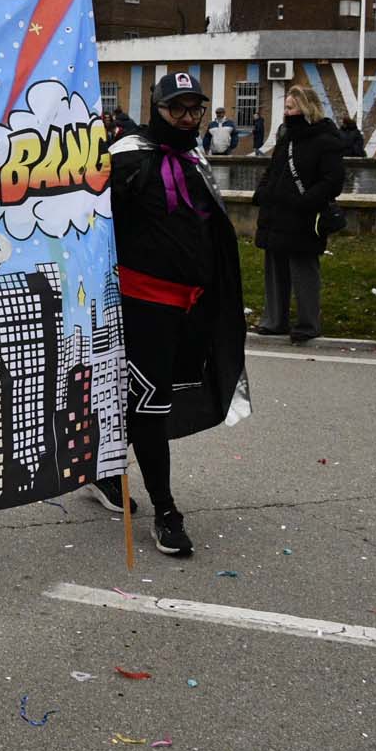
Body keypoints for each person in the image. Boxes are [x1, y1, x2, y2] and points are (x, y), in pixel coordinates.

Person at [85, 72, 249, 556]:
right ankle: (166, 512)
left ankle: (103, 471)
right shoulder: (127, 157)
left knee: (146, 398)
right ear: (156, 109)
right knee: (151, 404)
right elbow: (91, 224)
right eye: (176, 108)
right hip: (142, 308)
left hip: (191, 307)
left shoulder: (194, 158)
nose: (186, 117)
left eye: (194, 108)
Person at [252, 86, 346, 345]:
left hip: (302, 217)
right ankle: (275, 320)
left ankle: (307, 324)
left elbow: (333, 181)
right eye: (285, 107)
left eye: (290, 107)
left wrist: (304, 201)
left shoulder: (326, 140)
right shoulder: (287, 137)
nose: (286, 112)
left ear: (306, 108)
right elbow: (273, 170)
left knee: (304, 271)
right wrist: (262, 193)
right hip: (276, 214)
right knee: (275, 269)